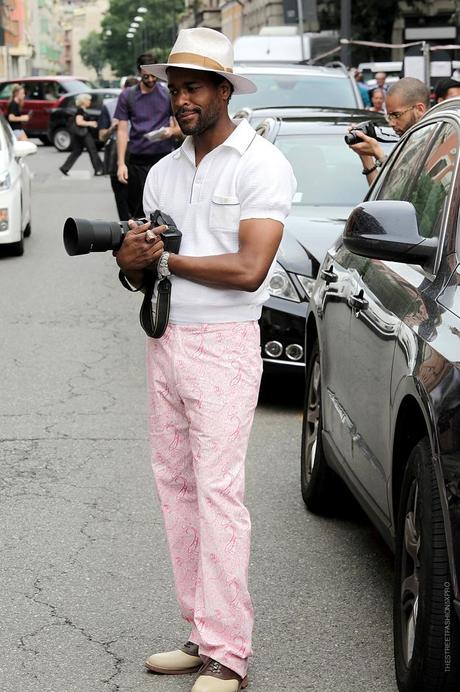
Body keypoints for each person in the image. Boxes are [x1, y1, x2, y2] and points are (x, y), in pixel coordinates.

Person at [114, 26, 296, 692]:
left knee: (218, 495)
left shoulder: (260, 164)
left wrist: (161, 257)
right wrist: (134, 264)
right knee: (177, 491)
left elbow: (250, 268)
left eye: (193, 87)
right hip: (165, 340)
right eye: (174, 87)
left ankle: (230, 653)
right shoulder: (164, 170)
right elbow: (151, 274)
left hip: (224, 347)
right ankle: (201, 631)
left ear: (223, 89)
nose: (180, 99)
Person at [114, 53, 181, 218]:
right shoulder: (127, 96)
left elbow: (181, 127)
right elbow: (122, 131)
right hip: (137, 161)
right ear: (139, 73)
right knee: (138, 209)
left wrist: (171, 131)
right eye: (146, 76)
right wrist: (121, 164)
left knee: (164, 207)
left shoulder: (167, 94)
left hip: (164, 158)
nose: (151, 79)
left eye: (154, 76)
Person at [348, 77, 430, 185]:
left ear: (419, 109)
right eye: (389, 116)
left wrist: (379, 154)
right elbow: (388, 198)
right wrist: (366, 158)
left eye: (396, 115)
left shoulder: (439, 139)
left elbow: (412, 187)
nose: (391, 123)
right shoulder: (409, 142)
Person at [98, 77, 139, 220]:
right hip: (117, 157)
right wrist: (112, 128)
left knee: (139, 203)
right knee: (121, 200)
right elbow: (101, 136)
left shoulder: (146, 105)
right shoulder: (109, 107)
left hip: (139, 158)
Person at [59, 93, 103, 177]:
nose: (89, 101)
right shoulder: (80, 110)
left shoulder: (81, 110)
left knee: (77, 151)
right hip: (84, 134)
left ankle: (65, 167)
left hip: (79, 133)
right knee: (92, 150)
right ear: (83, 101)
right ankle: (99, 169)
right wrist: (91, 123)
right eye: (88, 100)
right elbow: (79, 122)